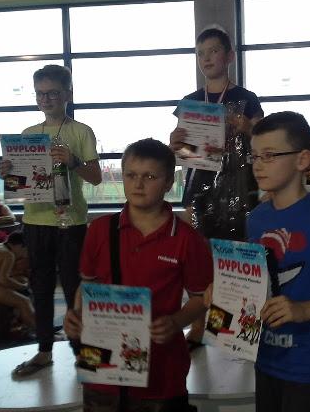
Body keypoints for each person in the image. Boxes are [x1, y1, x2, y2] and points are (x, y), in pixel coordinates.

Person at [204, 111, 310, 412]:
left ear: (302, 159)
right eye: (255, 156)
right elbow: (260, 283)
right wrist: (224, 294)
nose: (258, 164)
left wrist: (307, 309)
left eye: (269, 155)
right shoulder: (256, 219)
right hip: (266, 359)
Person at [64, 138, 212, 411]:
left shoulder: (187, 239)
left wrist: (176, 322)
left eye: (150, 176)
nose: (138, 184)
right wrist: (75, 315)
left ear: (169, 183)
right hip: (102, 369)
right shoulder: (99, 230)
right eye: (131, 175)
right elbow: (87, 286)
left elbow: (201, 298)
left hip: (161, 373)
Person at [0, 64, 102, 377]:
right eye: (40, 94)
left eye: (52, 93)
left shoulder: (81, 131)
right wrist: (7, 174)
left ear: (68, 94)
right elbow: (21, 185)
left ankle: (82, 351)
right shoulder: (28, 135)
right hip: (36, 221)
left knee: (75, 288)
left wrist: (73, 161)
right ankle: (44, 350)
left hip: (71, 221)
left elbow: (96, 176)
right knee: (40, 289)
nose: (45, 99)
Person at [169, 26, 263, 345]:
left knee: (239, 262)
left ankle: (238, 331)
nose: (206, 58)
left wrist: (248, 127)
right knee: (200, 263)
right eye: (200, 53)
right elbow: (185, 153)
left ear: (230, 56)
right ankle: (198, 327)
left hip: (241, 191)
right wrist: (175, 144)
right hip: (199, 192)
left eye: (213, 51)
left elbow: (264, 143)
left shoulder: (246, 99)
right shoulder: (190, 102)